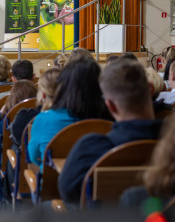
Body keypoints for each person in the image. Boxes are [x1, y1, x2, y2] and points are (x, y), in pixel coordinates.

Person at [58, 59, 164, 205]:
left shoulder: (91, 148)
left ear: (110, 106)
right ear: (151, 89)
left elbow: (68, 192)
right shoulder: (168, 142)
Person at [27, 56, 108, 168]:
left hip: (53, 183)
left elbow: (34, 157)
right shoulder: (110, 122)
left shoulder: (44, 119)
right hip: (100, 184)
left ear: (64, 86)